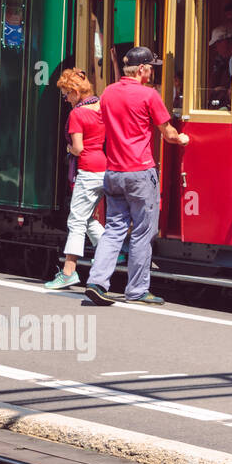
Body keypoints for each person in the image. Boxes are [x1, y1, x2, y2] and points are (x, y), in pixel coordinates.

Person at [83, 47, 190, 307]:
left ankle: (97, 282)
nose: (152, 72)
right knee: (143, 230)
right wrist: (182, 138)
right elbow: (168, 132)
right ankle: (137, 289)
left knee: (114, 229)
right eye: (151, 67)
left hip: (114, 171)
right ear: (141, 69)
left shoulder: (108, 92)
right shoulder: (148, 95)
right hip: (140, 171)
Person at [45, 70, 106, 290]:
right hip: (103, 166)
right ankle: (113, 252)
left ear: (74, 91)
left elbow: (79, 148)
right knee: (86, 217)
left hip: (88, 168)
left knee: (76, 221)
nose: (65, 99)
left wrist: (70, 148)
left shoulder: (77, 115)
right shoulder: (100, 107)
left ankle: (68, 272)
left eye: (66, 94)